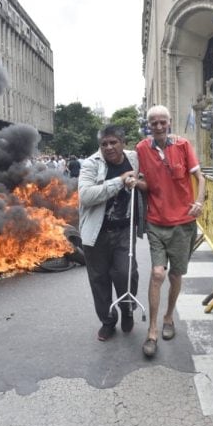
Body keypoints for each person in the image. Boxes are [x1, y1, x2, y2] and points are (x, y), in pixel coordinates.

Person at [135, 105, 205, 358]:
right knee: (157, 274)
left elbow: (201, 178)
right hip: (156, 222)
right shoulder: (142, 149)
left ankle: (168, 318)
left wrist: (200, 202)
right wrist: (135, 182)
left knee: (175, 275)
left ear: (170, 122)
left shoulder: (183, 145)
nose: (158, 126)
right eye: (153, 122)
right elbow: (147, 183)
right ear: (148, 125)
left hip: (183, 224)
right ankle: (152, 330)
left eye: (162, 122)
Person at [78, 125, 147, 341]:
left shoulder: (134, 158)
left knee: (127, 274)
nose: (108, 147)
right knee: (99, 280)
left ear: (122, 142)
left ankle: (127, 311)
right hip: (96, 233)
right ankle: (108, 321)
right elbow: (86, 196)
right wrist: (119, 181)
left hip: (124, 229)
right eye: (104, 144)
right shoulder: (91, 164)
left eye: (113, 142)